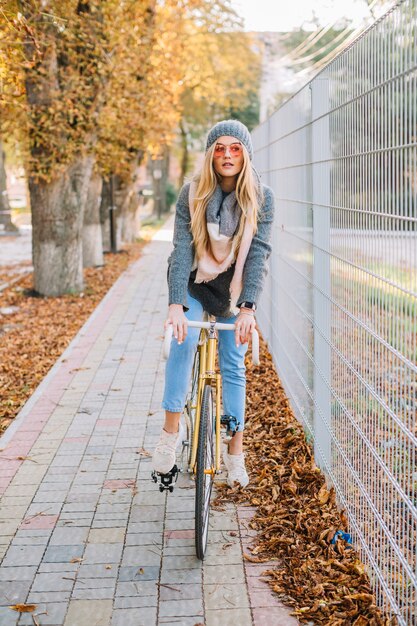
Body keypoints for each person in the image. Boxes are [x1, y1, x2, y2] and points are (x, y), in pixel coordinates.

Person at [151, 119, 275, 487]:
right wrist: (176, 305)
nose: (227, 155)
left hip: (234, 288)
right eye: (219, 148)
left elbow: (258, 256)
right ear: (210, 155)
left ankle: (235, 453)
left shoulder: (261, 197)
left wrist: (248, 309)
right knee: (183, 341)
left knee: (233, 362)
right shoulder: (192, 194)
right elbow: (181, 251)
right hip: (194, 279)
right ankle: (169, 435)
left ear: (246, 155)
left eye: (235, 148)